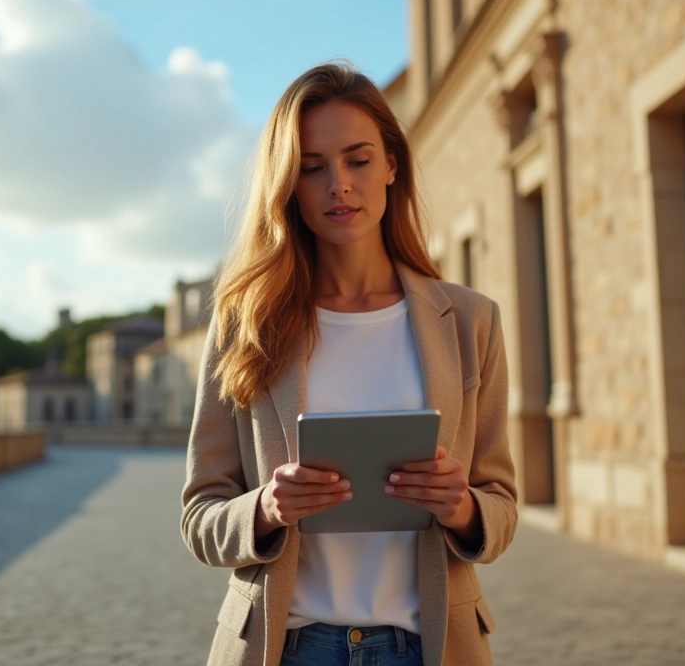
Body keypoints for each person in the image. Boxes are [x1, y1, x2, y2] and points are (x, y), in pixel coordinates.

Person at [180, 62, 516, 666]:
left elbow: (502, 506)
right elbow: (200, 517)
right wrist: (266, 508)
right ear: (288, 183)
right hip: (284, 648)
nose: (338, 184)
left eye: (358, 160)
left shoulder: (471, 321)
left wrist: (462, 506)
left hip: (430, 647)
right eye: (312, 167)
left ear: (392, 165)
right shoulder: (242, 324)